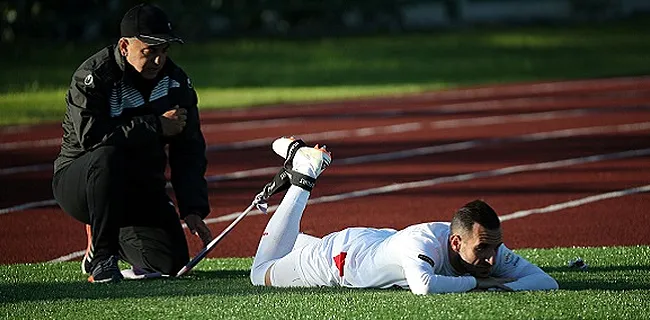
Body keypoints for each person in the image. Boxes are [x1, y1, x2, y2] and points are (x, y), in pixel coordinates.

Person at [250, 137, 559, 293]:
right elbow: (423, 286)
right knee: (259, 274)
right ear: (455, 242)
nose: (492, 259)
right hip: (340, 260)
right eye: (483, 250)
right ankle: (304, 177)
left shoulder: (485, 243)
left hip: (376, 242)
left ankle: (298, 232)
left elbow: (546, 282)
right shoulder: (422, 243)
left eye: (495, 247)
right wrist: (480, 284)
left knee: (289, 249)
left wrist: (504, 285)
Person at [52, 3, 212, 283]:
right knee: (108, 156)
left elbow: (189, 148)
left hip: (138, 186)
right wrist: (155, 125)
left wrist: (193, 207)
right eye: (150, 51)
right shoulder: (94, 76)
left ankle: (111, 239)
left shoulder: (176, 83)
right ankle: (101, 257)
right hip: (79, 181)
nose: (159, 60)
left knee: (169, 265)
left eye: (164, 51)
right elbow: (91, 136)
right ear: (125, 46)